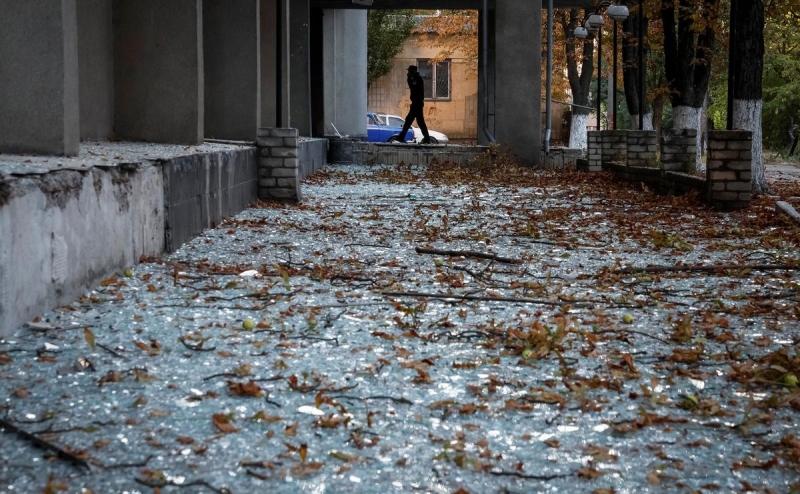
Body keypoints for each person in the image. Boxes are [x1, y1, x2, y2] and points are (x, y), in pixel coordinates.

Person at [392, 65, 431, 144]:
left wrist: (410, 78)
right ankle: (402, 137)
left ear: (413, 71)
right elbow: (411, 86)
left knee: (416, 122)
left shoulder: (418, 78)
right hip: (415, 103)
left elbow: (414, 88)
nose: (408, 72)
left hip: (417, 104)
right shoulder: (413, 78)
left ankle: (426, 139)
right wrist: (410, 78)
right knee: (410, 121)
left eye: (409, 71)